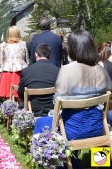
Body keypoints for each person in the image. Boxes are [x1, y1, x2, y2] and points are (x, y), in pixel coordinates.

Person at [34, 30, 112, 168]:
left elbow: (57, 101)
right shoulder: (101, 70)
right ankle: (101, 164)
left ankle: (62, 164)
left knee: (41, 123)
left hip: (71, 130)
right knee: (104, 120)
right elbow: (109, 98)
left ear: (73, 48)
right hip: (98, 127)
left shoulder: (66, 70)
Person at [18, 43, 60, 117]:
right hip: (53, 108)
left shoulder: (26, 71)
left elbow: (21, 94)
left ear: (36, 54)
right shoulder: (58, 71)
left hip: (33, 109)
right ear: (50, 55)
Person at [0, 25, 29, 102]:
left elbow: (1, 61)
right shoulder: (23, 44)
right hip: (20, 70)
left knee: (7, 95)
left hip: (7, 71)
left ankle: (9, 110)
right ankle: (21, 110)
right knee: (20, 94)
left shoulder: (3, 45)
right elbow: (27, 59)